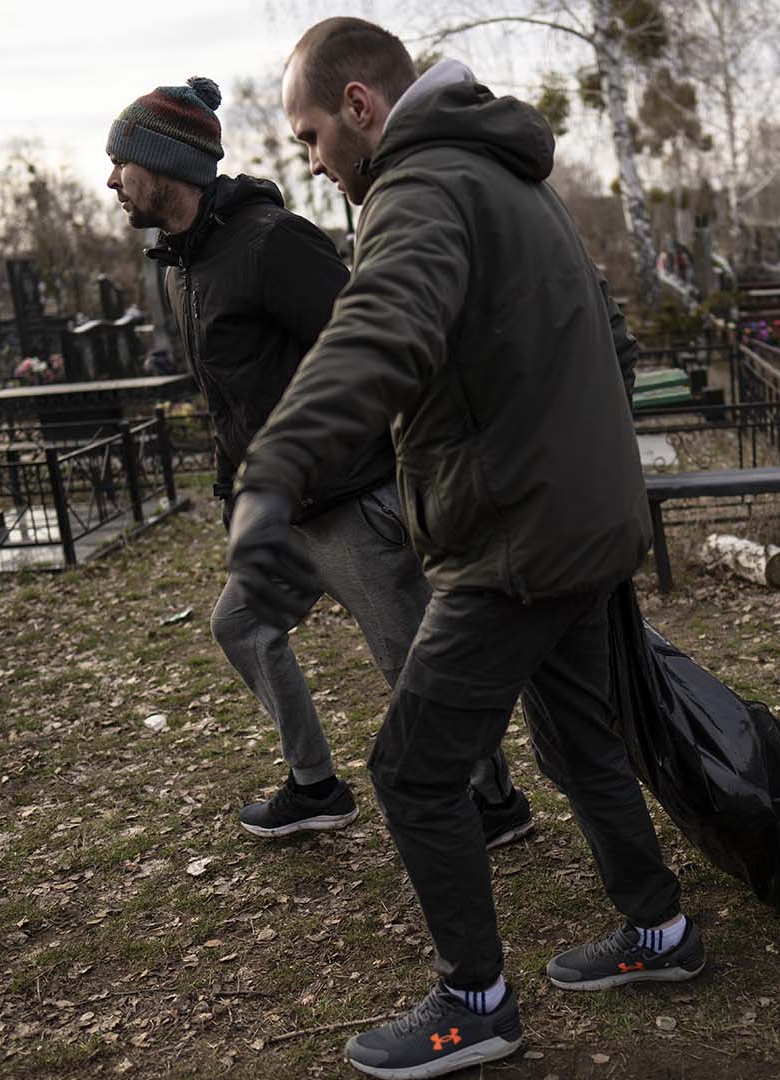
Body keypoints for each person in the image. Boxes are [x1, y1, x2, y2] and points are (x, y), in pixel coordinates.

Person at [228, 19, 699, 1077]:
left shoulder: (422, 184)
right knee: (581, 741)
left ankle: (476, 1003)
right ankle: (660, 932)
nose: (308, 161)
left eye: (309, 134)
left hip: (517, 538)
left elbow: (378, 327)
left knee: (411, 769)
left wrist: (275, 470)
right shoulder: (506, 173)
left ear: (359, 108)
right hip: (577, 519)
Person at [104, 76, 535, 847]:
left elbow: (373, 349)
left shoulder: (273, 242)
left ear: (163, 165)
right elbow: (228, 396)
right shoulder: (180, 268)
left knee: (411, 662)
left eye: (119, 162)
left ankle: (493, 802)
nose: (110, 179)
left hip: (350, 496)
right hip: (281, 509)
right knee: (241, 624)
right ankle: (315, 784)